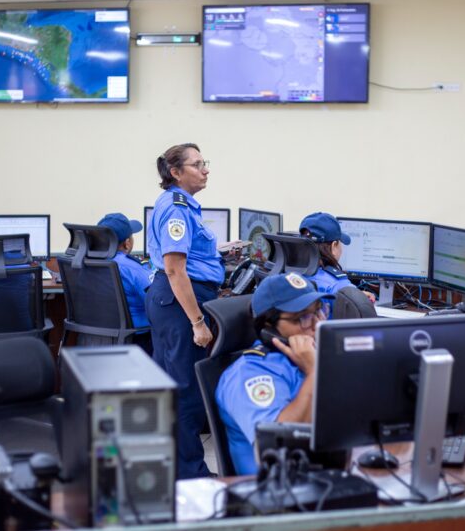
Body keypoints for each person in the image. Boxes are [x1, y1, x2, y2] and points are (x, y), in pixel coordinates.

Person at [144, 142, 224, 479]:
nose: (206, 170)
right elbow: (176, 269)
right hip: (180, 303)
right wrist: (198, 322)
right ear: (176, 172)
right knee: (186, 391)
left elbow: (184, 257)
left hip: (170, 299)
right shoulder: (177, 209)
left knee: (173, 386)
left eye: (205, 163)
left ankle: (173, 467)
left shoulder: (180, 205)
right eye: (197, 164)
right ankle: (191, 475)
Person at [215, 272, 333, 475]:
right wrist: (315, 373)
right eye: (303, 317)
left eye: (319, 311)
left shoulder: (312, 355)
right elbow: (281, 447)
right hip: (280, 487)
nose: (317, 324)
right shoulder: (249, 374)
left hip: (327, 473)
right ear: (269, 325)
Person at [97, 213, 154, 354]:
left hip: (96, 339)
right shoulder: (132, 268)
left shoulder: (87, 261)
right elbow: (156, 301)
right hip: (137, 339)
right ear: (127, 243)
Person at [299, 212, 376, 313]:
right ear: (334, 245)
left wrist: (355, 294)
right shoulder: (339, 286)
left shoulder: (289, 275)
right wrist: (356, 297)